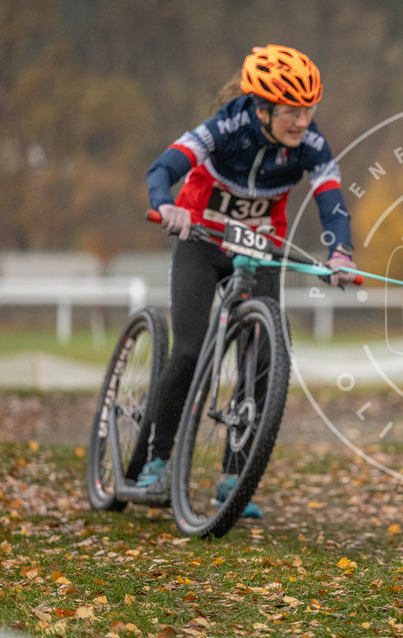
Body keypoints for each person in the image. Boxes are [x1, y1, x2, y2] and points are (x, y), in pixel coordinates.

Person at [139, 45, 357, 518]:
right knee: (191, 349)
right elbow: (163, 168)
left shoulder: (312, 146)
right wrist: (168, 203)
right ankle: (157, 459)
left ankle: (234, 477)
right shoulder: (225, 127)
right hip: (200, 240)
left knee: (261, 359)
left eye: (309, 111)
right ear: (262, 109)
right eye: (291, 112)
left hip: (260, 250)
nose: (302, 122)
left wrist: (341, 251)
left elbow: (332, 201)